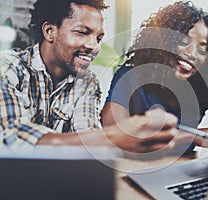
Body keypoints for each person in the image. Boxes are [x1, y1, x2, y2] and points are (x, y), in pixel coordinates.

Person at [0, 0, 178, 154]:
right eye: (83, 32)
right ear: (49, 31)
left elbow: (88, 137)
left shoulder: (87, 82)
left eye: (99, 38)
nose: (94, 46)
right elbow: (13, 137)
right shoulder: (8, 68)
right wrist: (113, 137)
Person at [101, 1, 208, 151]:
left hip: (183, 168)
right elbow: (112, 131)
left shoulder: (206, 87)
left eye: (202, 51)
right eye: (183, 42)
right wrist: (194, 136)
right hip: (134, 167)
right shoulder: (131, 76)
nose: (191, 54)